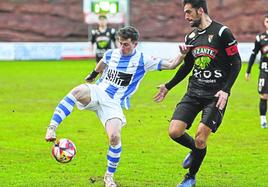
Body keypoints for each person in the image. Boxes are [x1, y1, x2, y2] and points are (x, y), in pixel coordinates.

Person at [45, 26, 191, 187]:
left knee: (114, 137)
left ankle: (109, 177)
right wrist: (93, 74)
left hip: (114, 103)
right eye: (120, 43)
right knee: (77, 91)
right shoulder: (112, 53)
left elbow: (171, 64)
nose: (122, 47)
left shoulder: (143, 59)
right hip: (98, 91)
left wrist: (182, 54)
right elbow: (103, 61)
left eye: (126, 44)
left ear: (135, 44)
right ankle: (52, 128)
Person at [154, 0, 241, 186]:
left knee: (201, 138)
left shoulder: (222, 32)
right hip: (193, 92)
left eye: (188, 12)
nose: (186, 17)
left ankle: (190, 177)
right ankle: (195, 150)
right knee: (174, 132)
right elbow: (187, 67)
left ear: (200, 10)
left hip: (215, 96)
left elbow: (237, 63)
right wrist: (168, 86)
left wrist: (226, 91)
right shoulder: (191, 37)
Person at [245, 14, 268, 129]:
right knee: (264, 95)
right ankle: (263, 120)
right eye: (267, 21)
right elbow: (253, 54)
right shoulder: (260, 38)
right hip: (265, 70)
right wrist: (248, 71)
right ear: (265, 23)